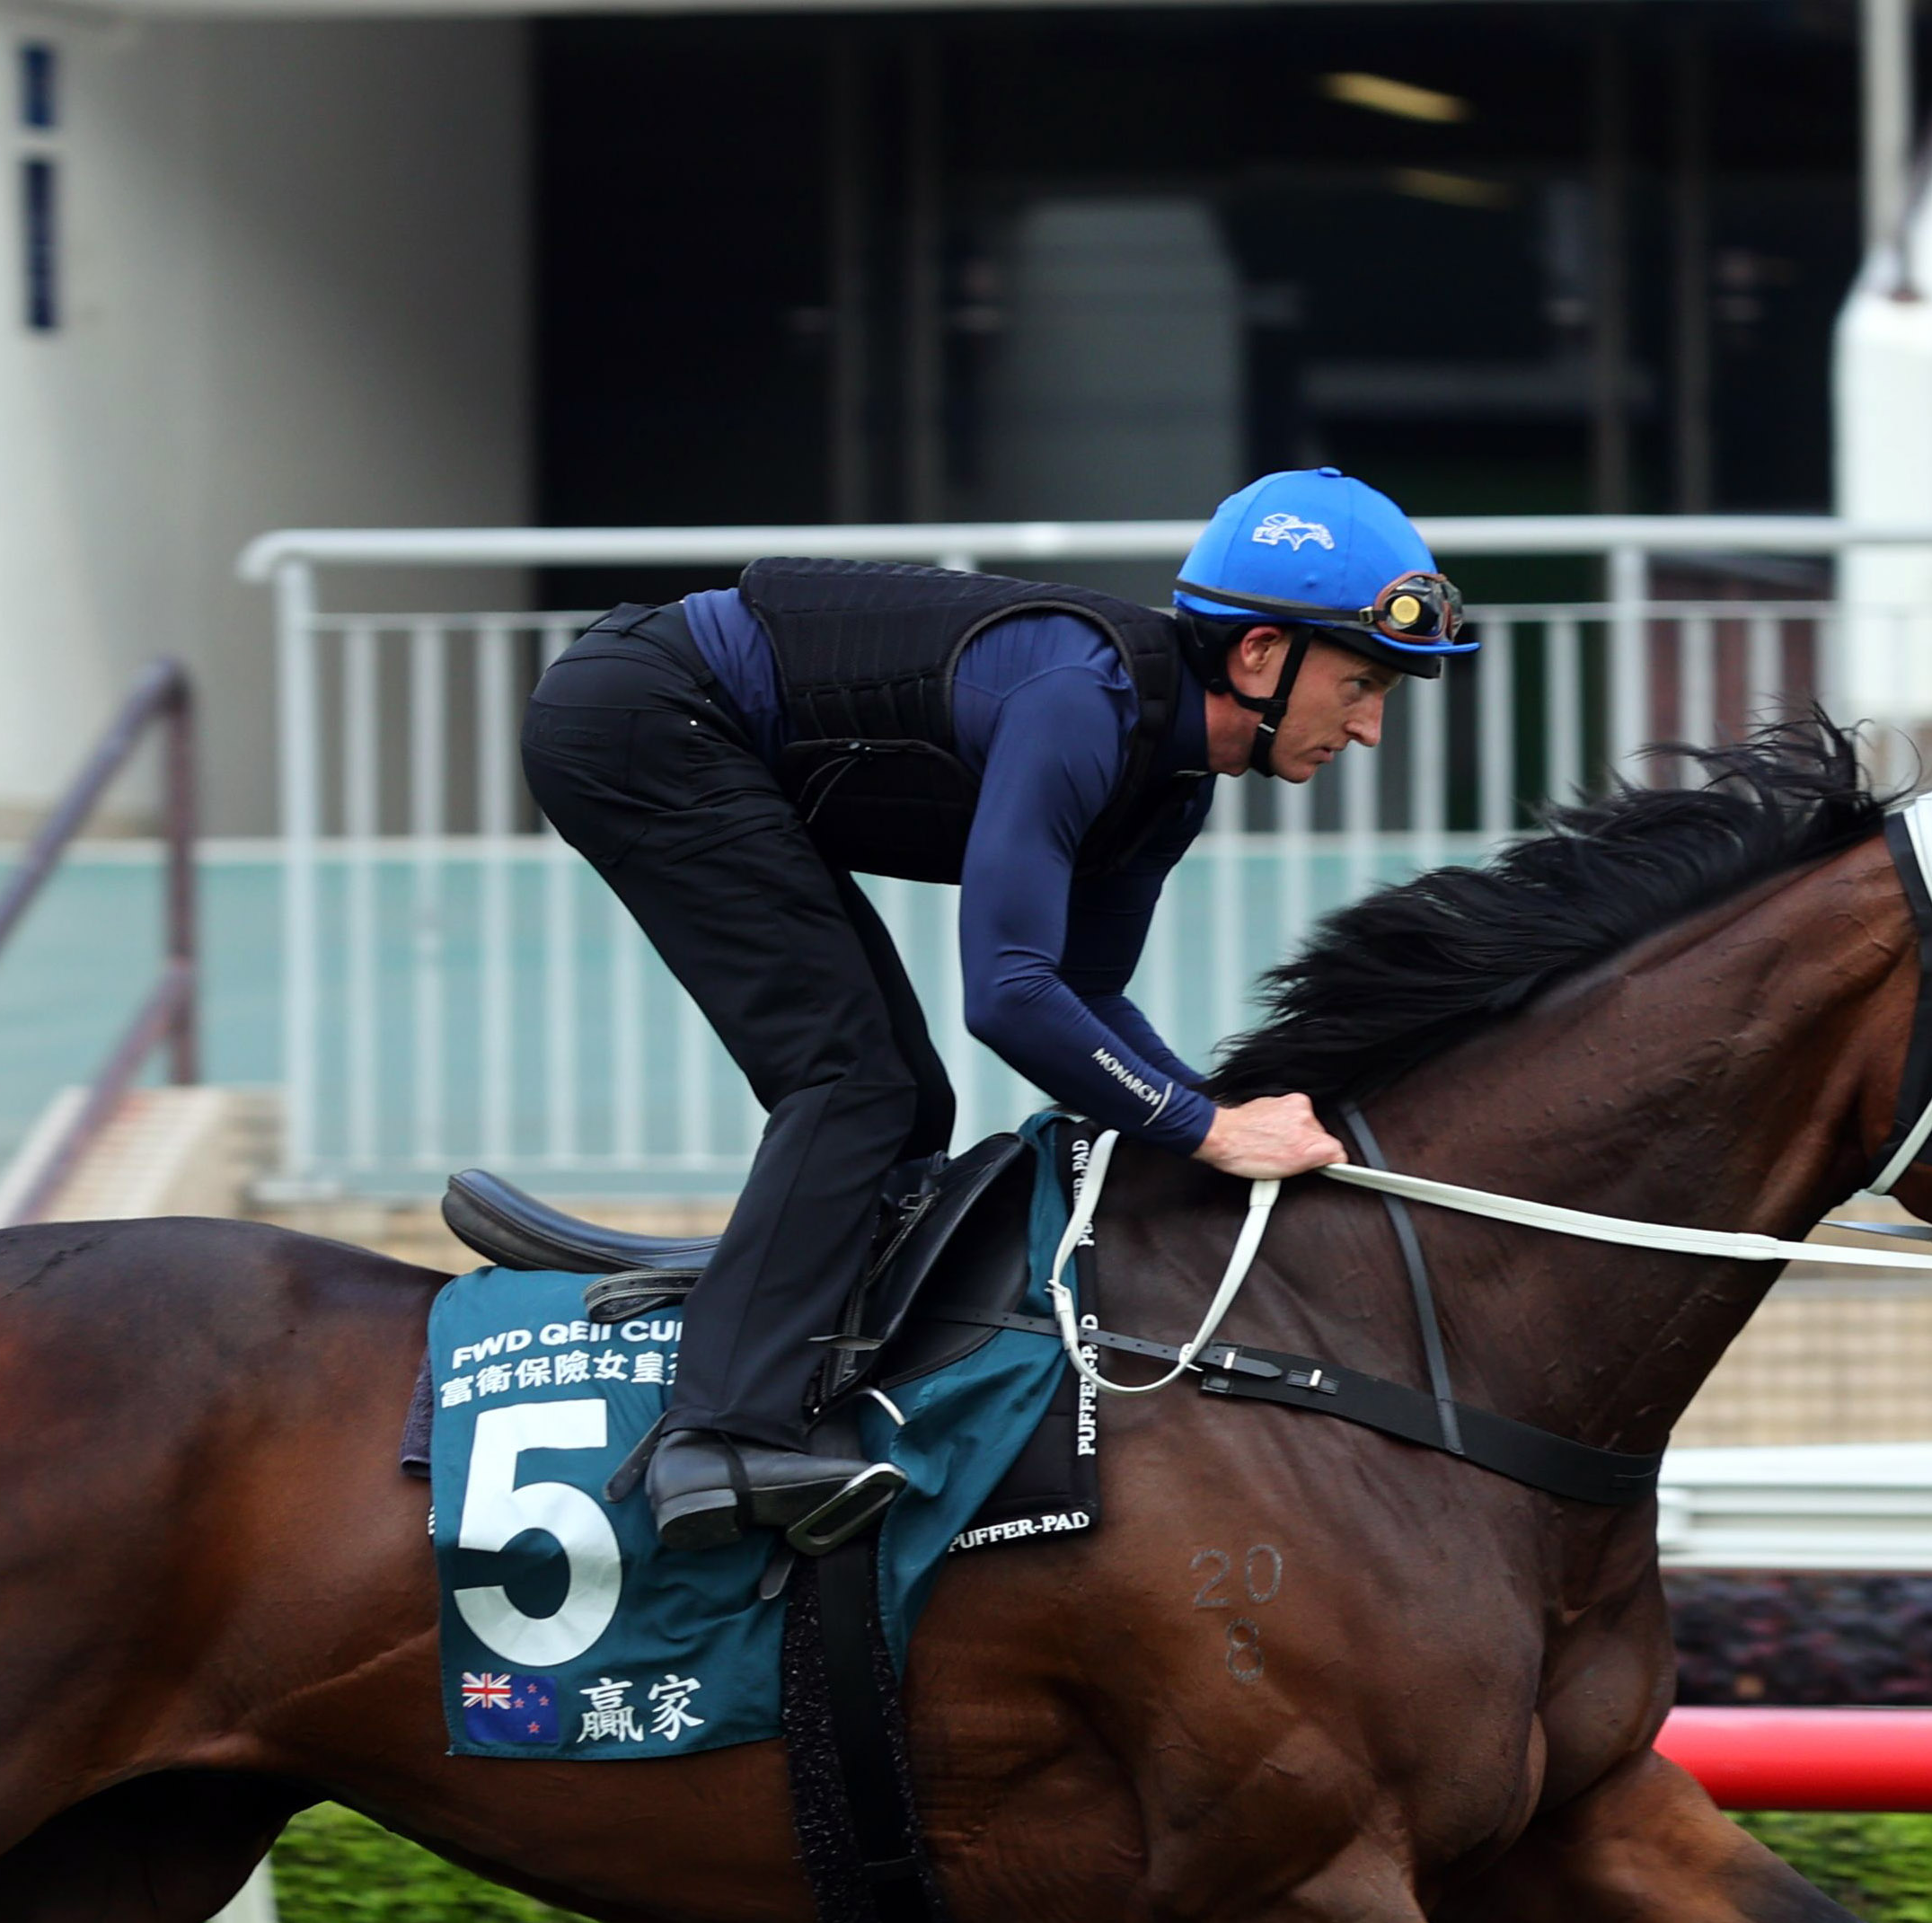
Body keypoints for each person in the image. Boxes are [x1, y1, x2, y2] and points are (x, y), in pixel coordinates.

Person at [518, 468, 1480, 1553]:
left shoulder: (1170, 782)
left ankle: (809, 1358)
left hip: (704, 731)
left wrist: (1211, 1113)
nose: (1370, 730)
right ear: (1261, 653)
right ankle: (716, 1440)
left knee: (900, 1100)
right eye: (1362, 684)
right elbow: (1010, 997)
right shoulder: (1083, 704)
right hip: (642, 716)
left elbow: (1084, 991)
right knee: (855, 1084)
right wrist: (1207, 1129)